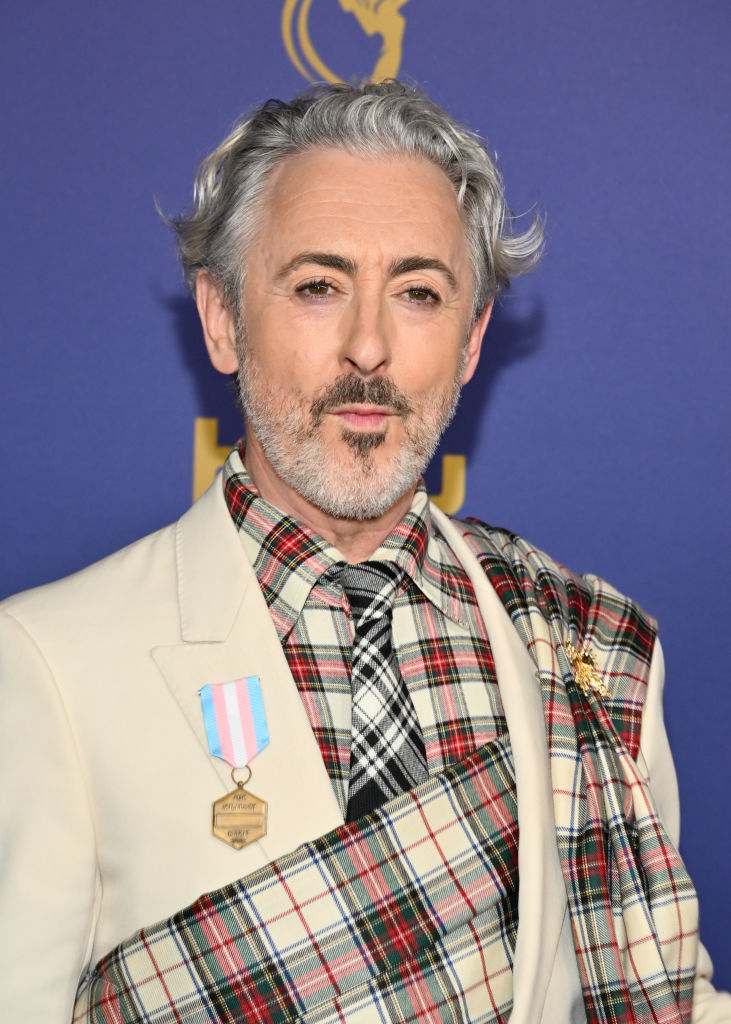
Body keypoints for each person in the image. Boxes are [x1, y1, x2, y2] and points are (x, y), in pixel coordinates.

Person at [0, 81, 728, 1024]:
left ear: (470, 342)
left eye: (418, 294)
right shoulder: (48, 663)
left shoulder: (592, 650)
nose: (369, 347)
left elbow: (659, 991)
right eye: (318, 286)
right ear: (222, 319)